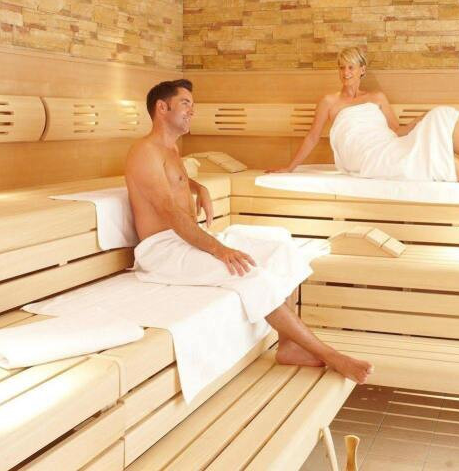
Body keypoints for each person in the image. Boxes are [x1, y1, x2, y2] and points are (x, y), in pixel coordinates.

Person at [124, 78, 373, 384]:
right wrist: (219, 249)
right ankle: (330, 355)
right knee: (246, 271)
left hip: (186, 240)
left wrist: (198, 187)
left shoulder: (170, 149)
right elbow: (170, 212)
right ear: (162, 108)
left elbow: (171, 183)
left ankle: (289, 344)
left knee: (280, 246)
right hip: (163, 251)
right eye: (185, 103)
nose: (192, 111)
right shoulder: (144, 151)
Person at [269, 47, 459, 185]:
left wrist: (419, 122)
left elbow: (396, 131)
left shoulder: (377, 97)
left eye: (351, 67)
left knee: (441, 116)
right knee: (434, 161)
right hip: (367, 157)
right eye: (342, 68)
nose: (346, 73)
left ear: (362, 70)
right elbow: (312, 137)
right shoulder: (329, 102)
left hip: (388, 144)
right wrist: (290, 167)